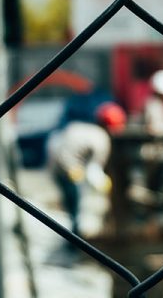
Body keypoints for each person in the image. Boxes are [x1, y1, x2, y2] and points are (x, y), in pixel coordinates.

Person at [46, 101, 126, 239]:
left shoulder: (80, 127)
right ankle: (75, 241)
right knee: (78, 209)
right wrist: (104, 185)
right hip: (70, 170)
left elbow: (57, 143)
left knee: (71, 207)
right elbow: (94, 170)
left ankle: (71, 237)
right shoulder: (102, 139)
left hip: (55, 167)